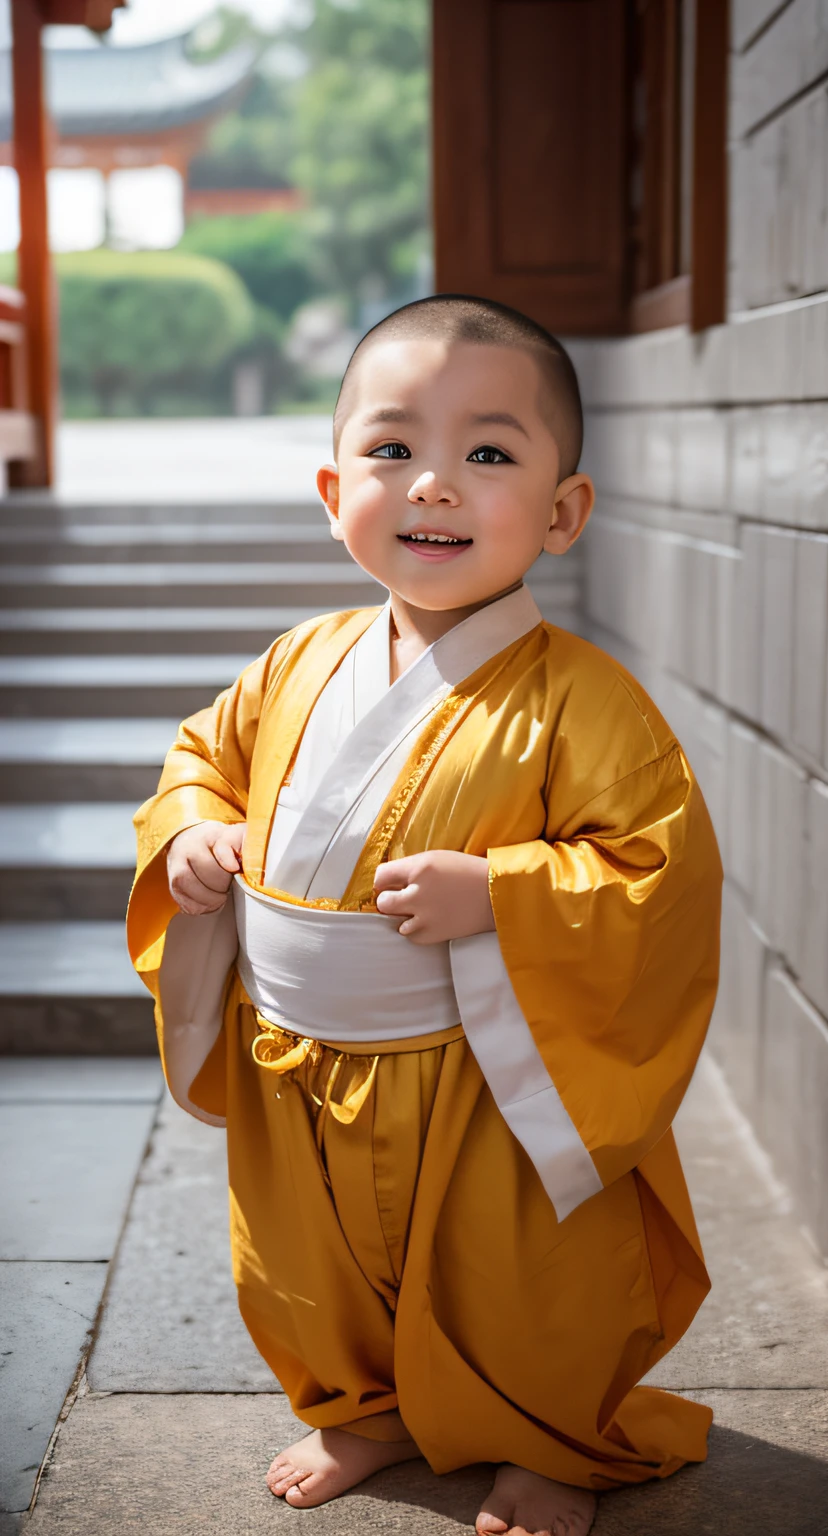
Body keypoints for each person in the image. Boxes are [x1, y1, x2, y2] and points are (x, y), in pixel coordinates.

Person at [128, 295, 722, 1536]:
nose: (433, 486)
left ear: (562, 512)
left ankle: (546, 1440)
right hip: (300, 1056)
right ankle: (365, 1407)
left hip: (484, 1076)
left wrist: (499, 894)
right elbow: (206, 757)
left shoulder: (583, 702)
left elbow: (650, 875)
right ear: (331, 486)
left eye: (488, 454)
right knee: (308, 1265)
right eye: (392, 450)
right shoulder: (296, 661)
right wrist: (194, 832)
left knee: (522, 1277)